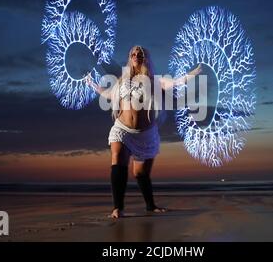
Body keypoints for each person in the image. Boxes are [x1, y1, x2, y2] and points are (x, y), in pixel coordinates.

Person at [86, 45, 201, 218]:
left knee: (140, 173)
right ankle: (118, 208)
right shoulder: (122, 81)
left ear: (145, 58)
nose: (136, 56)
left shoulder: (154, 80)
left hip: (146, 133)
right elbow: (109, 95)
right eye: (133, 53)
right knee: (118, 159)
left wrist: (191, 74)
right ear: (129, 57)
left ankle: (150, 206)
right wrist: (94, 85)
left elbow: (174, 83)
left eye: (140, 54)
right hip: (122, 129)